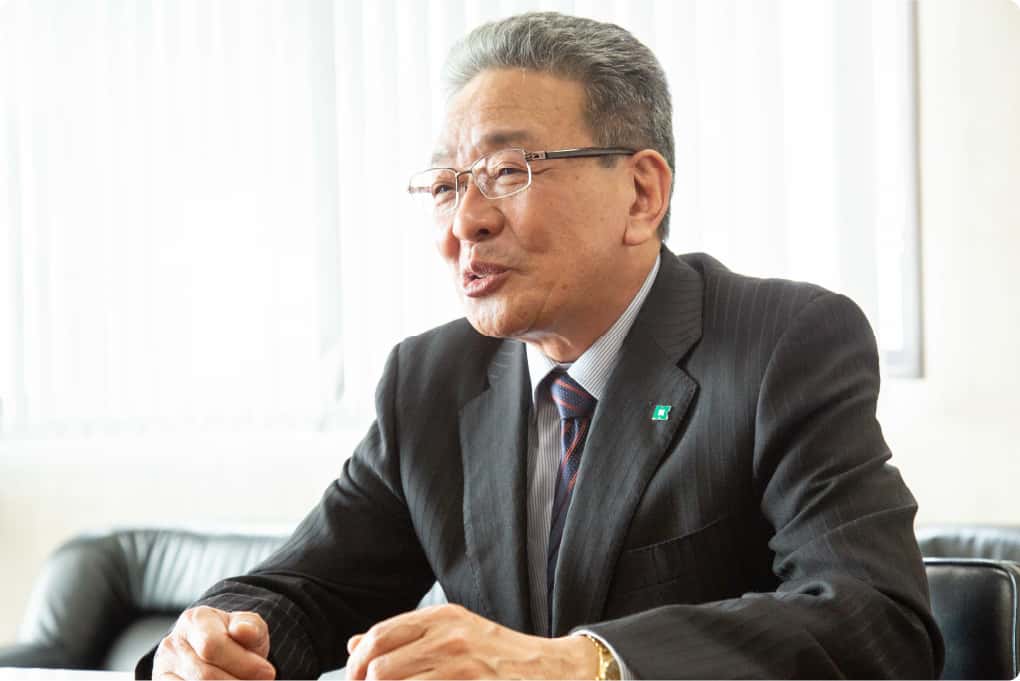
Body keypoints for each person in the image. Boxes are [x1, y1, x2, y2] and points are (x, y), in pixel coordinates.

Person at [140, 12, 942, 680]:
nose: (466, 222)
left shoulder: (781, 345)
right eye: (446, 186)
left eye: (506, 170)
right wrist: (221, 638)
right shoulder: (430, 379)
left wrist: (586, 663)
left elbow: (876, 619)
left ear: (642, 192)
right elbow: (308, 591)